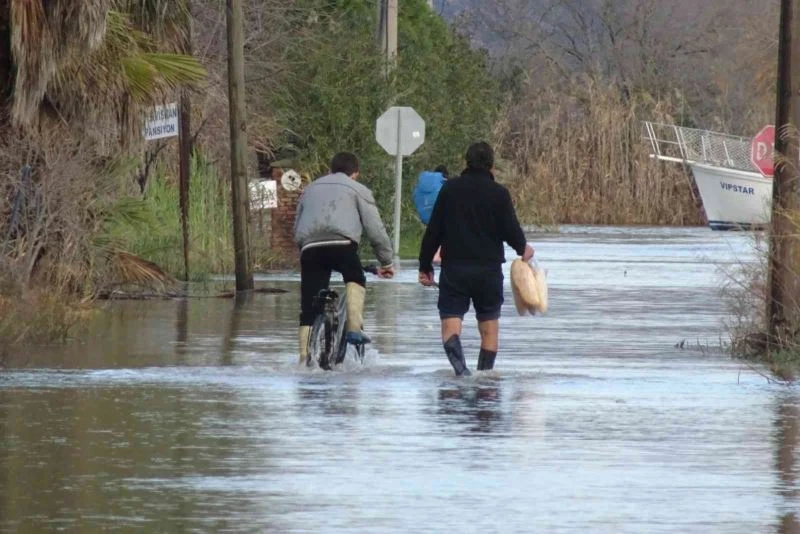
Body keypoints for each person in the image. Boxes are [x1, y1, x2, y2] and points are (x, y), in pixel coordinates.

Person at [418, 142, 534, 376]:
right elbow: (510, 229)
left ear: (466, 162)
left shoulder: (449, 190)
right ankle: (484, 381)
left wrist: (425, 265)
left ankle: (462, 374)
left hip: (455, 269)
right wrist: (523, 248)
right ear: (491, 166)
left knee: (451, 326)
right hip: (488, 271)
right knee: (489, 329)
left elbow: (434, 231)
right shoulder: (499, 193)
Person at [294, 152, 395, 365]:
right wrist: (386, 261)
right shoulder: (358, 189)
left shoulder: (309, 189)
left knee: (309, 304)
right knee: (355, 277)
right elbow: (375, 229)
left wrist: (302, 250)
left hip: (310, 248)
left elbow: (297, 225)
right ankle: (354, 328)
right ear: (355, 174)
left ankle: (303, 358)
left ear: (330, 170)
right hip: (342, 245)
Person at [412, 164, 449, 264]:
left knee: (433, 234)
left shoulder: (424, 185)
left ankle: (432, 254)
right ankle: (437, 255)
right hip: (441, 216)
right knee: (443, 233)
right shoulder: (445, 183)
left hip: (426, 215)